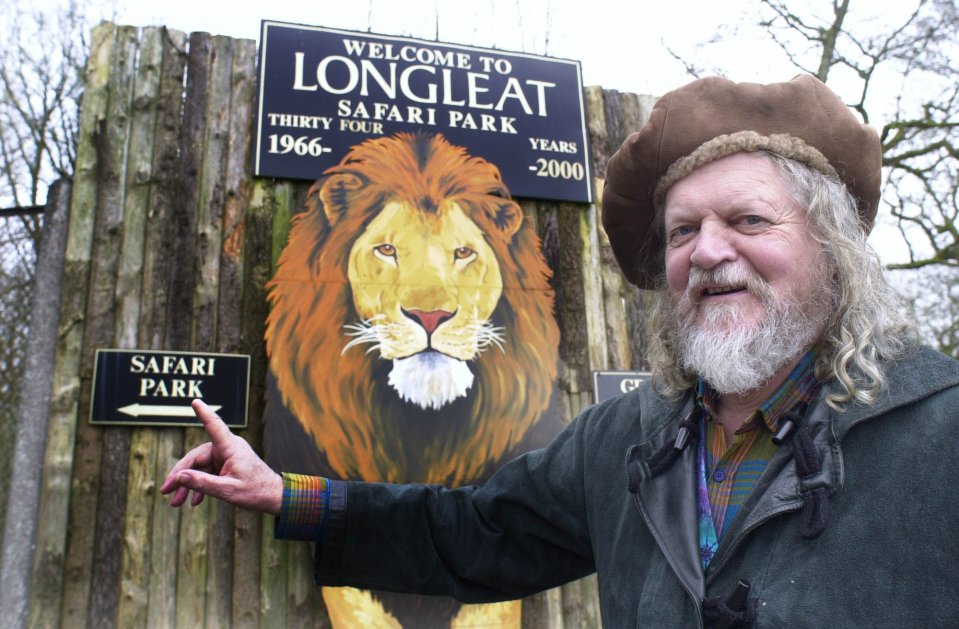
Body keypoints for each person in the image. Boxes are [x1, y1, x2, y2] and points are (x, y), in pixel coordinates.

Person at [161, 75, 959, 627]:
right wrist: (288, 494)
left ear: (828, 248)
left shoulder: (938, 431)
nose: (708, 253)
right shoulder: (629, 435)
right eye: (683, 231)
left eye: (748, 221)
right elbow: (476, 532)